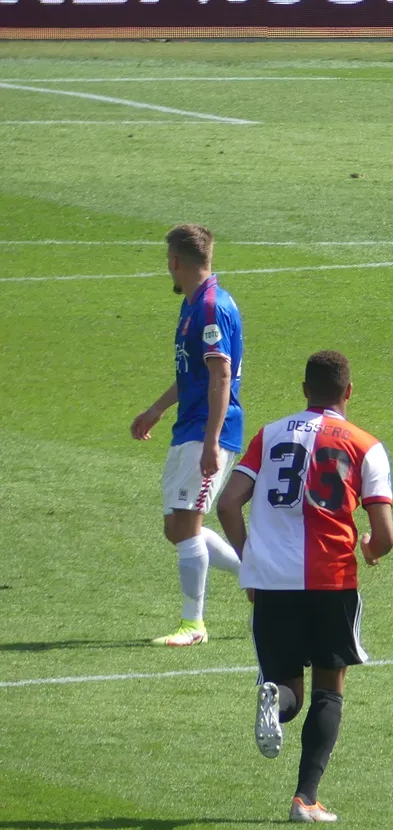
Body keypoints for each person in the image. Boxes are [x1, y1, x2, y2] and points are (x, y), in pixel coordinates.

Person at [217, 351, 393, 823]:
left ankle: (275, 705)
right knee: (329, 691)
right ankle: (305, 799)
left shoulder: (270, 433)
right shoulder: (365, 444)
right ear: (349, 392)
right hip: (330, 580)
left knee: (288, 687)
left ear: (304, 389)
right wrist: (373, 551)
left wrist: (250, 559)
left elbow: (228, 504)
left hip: (272, 582)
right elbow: (385, 534)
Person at [129, 224, 245, 647]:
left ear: (177, 262)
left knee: (189, 521)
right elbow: (193, 374)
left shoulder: (212, 308)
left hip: (208, 429)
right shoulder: (193, 305)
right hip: (189, 428)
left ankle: (193, 624)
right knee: (176, 528)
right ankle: (258, 579)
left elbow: (221, 377)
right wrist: (157, 409)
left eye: (168, 263)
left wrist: (213, 442)